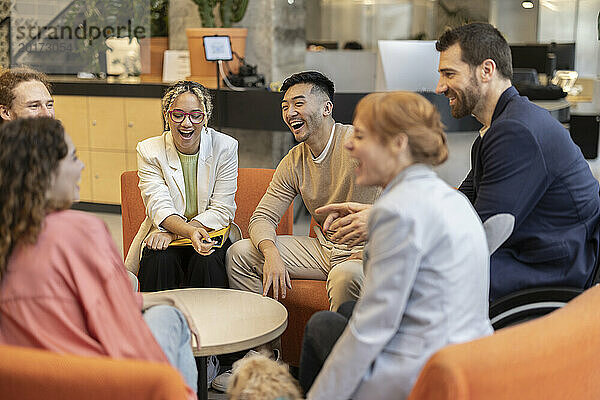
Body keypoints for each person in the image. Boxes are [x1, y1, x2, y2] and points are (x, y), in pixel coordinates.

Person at [299, 91, 493, 400]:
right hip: (468, 355)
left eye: (360, 136)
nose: (348, 144)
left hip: (421, 373)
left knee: (323, 325)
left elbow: (372, 328)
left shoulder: (396, 212)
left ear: (398, 144)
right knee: (347, 310)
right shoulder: (451, 198)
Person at [0, 118, 197, 399]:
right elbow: (122, 334)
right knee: (170, 317)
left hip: (32, 384)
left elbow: (61, 307)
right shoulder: (80, 231)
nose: (81, 167)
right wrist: (161, 385)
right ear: (45, 172)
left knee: (163, 306)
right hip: (100, 384)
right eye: (73, 157)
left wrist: (150, 299)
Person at [435, 22, 600, 301]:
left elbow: (485, 231)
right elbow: (463, 202)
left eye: (449, 74)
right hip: (532, 250)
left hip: (552, 267)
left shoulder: (516, 131)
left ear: (486, 70)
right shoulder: (502, 125)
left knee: (433, 280)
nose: (440, 87)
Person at [226, 71, 380, 310]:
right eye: (285, 106)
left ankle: (337, 347)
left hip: (367, 251)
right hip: (323, 249)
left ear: (327, 108)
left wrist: (370, 249)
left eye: (299, 103)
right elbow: (263, 217)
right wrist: (271, 253)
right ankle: (264, 347)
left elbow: (408, 200)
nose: (290, 113)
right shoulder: (294, 160)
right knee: (239, 254)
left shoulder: (359, 144)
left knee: (345, 277)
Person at [124, 80, 240, 292]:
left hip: (207, 231)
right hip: (164, 231)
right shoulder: (149, 150)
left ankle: (210, 325)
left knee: (208, 261)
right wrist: (183, 233)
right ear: (168, 116)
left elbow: (222, 209)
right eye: (178, 115)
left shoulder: (225, 147)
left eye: (195, 115)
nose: (187, 123)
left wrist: (175, 234)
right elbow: (159, 206)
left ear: (205, 119)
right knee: (158, 259)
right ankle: (155, 323)